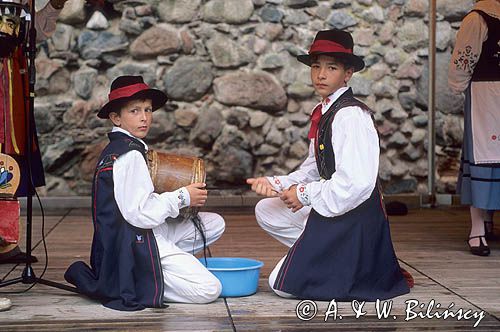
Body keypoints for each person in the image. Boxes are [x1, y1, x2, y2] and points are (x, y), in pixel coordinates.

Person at [247, 29, 411, 301]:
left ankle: (344, 259)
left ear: (347, 74)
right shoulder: (326, 110)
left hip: (355, 218)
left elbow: (355, 185)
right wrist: (277, 183)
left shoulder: (351, 116)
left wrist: (303, 194)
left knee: (280, 285)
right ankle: (325, 253)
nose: (320, 74)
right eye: (316, 66)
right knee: (268, 209)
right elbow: (314, 168)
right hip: (336, 207)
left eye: (331, 67)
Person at [64, 76, 225, 311]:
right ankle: (142, 280)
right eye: (134, 111)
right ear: (116, 117)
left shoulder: (124, 148)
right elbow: (139, 214)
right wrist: (182, 197)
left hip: (147, 231)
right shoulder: (128, 156)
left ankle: (159, 267)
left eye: (148, 110)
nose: (144, 117)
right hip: (136, 241)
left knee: (214, 223)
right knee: (210, 289)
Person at [0, 0, 68, 312]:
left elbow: (35, 33)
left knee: (10, 165)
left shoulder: (22, 1)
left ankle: (5, 242)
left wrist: (54, 6)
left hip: (14, 82)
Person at [448, 0, 500, 256]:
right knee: (484, 154)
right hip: (485, 95)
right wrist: (459, 83)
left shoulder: (478, 17)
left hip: (489, 94)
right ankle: (477, 227)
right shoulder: (477, 19)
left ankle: (485, 223)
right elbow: (463, 59)